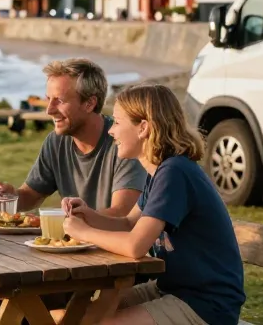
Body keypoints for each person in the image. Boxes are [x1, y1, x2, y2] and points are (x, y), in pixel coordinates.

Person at [60, 83, 246, 325]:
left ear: (143, 128)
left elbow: (135, 245)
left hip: (205, 304)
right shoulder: (160, 171)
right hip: (171, 289)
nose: (111, 131)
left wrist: (84, 232)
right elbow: (129, 224)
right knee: (79, 317)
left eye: (117, 122)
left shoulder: (175, 173)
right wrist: (88, 215)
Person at [0, 58, 147, 217]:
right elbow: (31, 196)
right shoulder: (56, 142)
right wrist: (11, 196)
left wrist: (67, 221)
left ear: (89, 103)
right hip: (78, 232)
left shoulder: (124, 142)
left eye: (59, 101)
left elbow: (122, 214)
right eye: (48, 99)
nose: (49, 110)